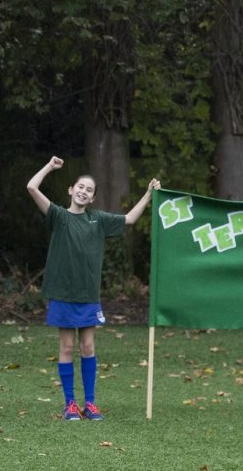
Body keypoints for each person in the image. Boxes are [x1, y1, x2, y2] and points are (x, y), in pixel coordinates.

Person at [26, 156, 158, 421]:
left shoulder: (98, 220)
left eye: (89, 190)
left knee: (87, 347)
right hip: (63, 294)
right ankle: (70, 404)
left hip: (88, 296)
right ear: (71, 190)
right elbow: (31, 187)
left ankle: (90, 404)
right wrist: (50, 167)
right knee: (66, 348)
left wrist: (148, 195)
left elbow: (130, 219)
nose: (84, 191)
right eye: (81, 187)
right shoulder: (59, 216)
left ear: (93, 198)